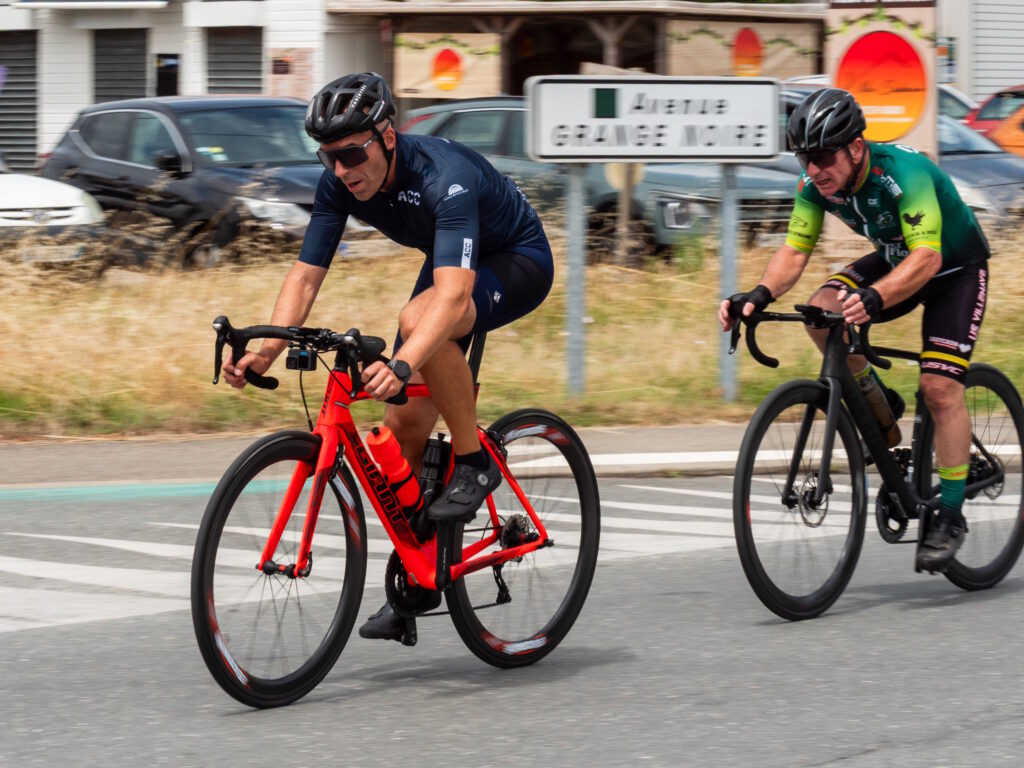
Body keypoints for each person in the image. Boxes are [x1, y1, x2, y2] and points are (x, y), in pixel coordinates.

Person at [221, 72, 554, 640]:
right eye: (330, 158)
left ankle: (474, 462)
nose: (343, 170)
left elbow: (450, 299)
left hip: (517, 259)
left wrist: (402, 364)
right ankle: (421, 580)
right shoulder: (339, 184)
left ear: (387, 137)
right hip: (451, 258)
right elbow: (305, 277)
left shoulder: (442, 178)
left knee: (418, 323)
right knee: (402, 430)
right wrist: (268, 350)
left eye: (353, 154)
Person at [718, 88, 990, 572]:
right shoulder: (815, 184)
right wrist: (759, 295)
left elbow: (927, 256)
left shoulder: (903, 173)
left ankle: (949, 515)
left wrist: (876, 297)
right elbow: (796, 250)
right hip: (896, 258)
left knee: (940, 387)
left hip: (953, 270)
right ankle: (880, 406)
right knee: (822, 312)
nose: (814, 168)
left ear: (856, 148)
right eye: (805, 157)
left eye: (823, 156)